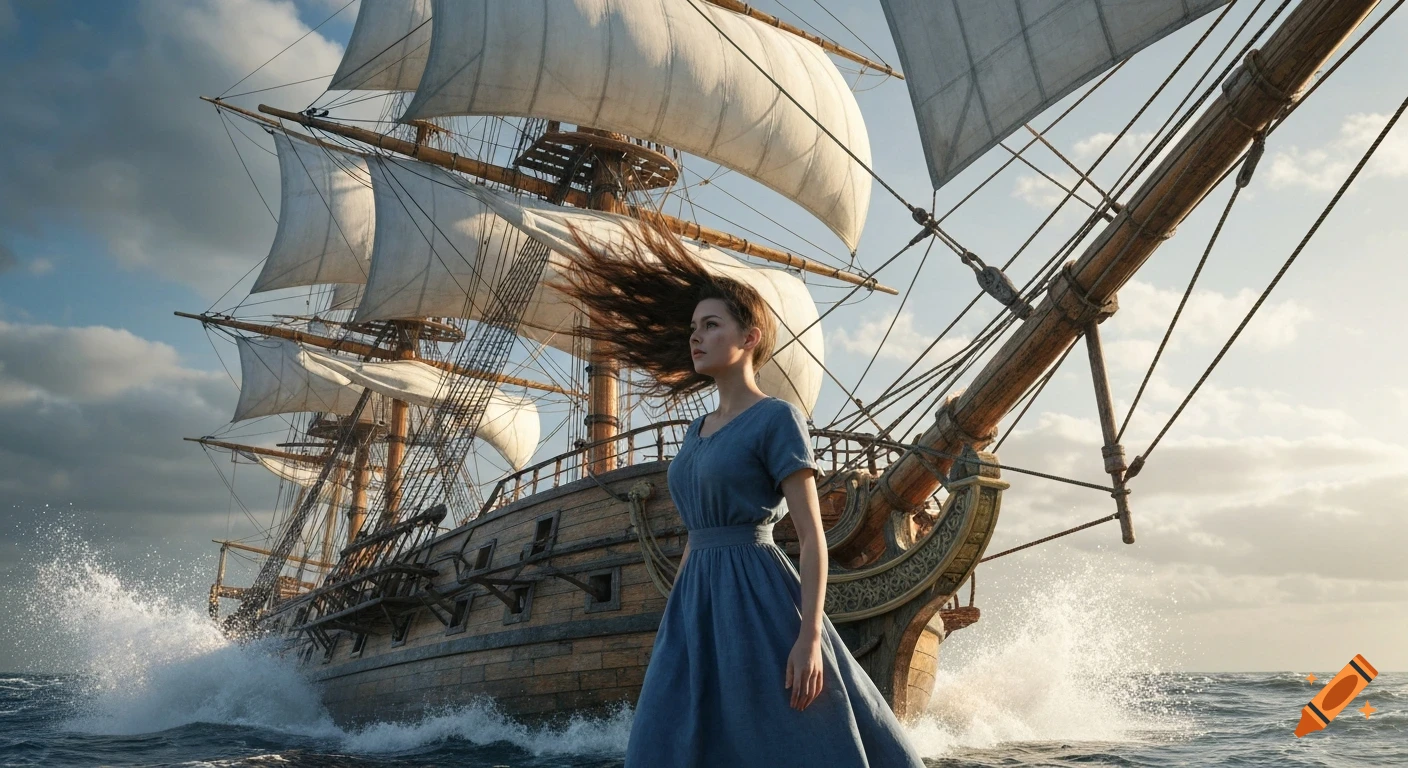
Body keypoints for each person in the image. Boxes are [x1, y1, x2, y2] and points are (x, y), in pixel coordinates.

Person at [551, 218, 927, 767]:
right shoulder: (694, 432)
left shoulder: (777, 418)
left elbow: (811, 536)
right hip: (693, 605)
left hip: (757, 596)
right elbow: (693, 536)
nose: (695, 337)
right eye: (694, 329)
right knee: (670, 737)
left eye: (710, 325)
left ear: (749, 338)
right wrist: (672, 620)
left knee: (784, 735)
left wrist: (808, 639)